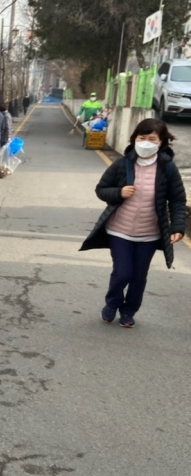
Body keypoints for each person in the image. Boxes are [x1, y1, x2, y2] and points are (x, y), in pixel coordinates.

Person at [80, 119, 186, 328]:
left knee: (138, 277)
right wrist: (119, 192)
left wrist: (177, 227)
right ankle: (112, 304)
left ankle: (129, 311)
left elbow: (177, 200)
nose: (146, 142)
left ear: (161, 142)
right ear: (134, 139)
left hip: (149, 233)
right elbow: (101, 189)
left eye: (152, 139)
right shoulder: (123, 163)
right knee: (123, 273)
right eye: (142, 138)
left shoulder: (167, 168)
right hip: (120, 230)